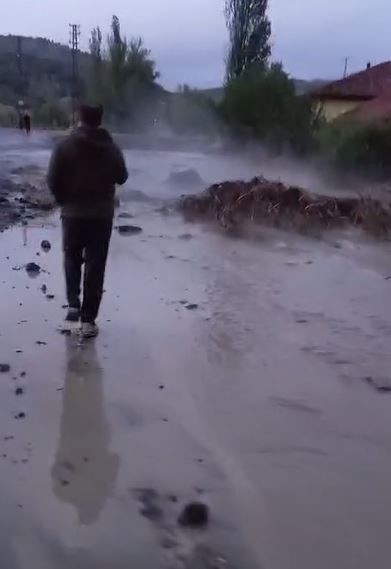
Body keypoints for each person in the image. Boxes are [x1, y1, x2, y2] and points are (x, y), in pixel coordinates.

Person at [47, 104, 128, 338]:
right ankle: (88, 321)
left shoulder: (64, 146)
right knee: (96, 265)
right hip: (101, 216)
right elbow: (122, 177)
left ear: (79, 119)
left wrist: (63, 200)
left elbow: (52, 179)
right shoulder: (112, 148)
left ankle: (73, 307)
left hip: (72, 214)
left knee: (71, 258)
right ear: (100, 120)